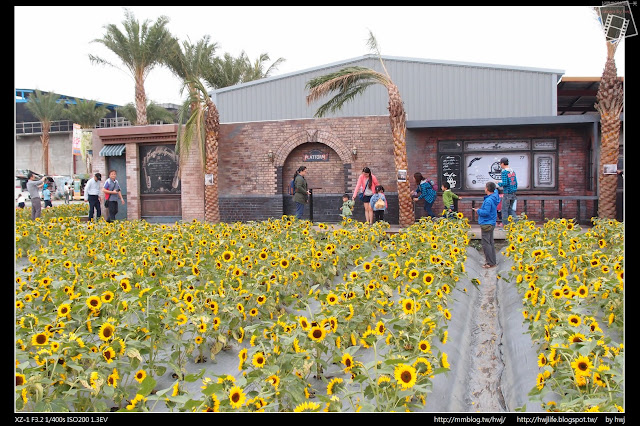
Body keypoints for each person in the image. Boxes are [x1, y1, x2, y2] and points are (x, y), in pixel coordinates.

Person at [472, 181, 500, 269]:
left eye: (485, 187)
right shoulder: (494, 197)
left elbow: (486, 212)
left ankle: (490, 263)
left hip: (486, 223)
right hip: (491, 222)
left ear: (487, 189)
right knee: (490, 242)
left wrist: (478, 211)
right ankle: (492, 261)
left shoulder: (488, 200)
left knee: (486, 244)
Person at [495, 157, 518, 225]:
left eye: (500, 164)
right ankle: (517, 223)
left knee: (504, 210)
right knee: (510, 209)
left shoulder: (504, 172)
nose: (500, 165)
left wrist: (498, 183)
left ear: (502, 163)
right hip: (513, 193)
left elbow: (505, 183)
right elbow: (515, 182)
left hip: (507, 193)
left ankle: (505, 225)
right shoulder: (512, 171)